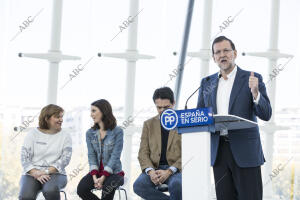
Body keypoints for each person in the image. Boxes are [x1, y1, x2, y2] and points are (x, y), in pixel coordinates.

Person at [197, 36, 272, 200]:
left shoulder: (251, 78)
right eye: (218, 52)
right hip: (219, 152)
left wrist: (255, 93)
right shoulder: (207, 83)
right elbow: (199, 116)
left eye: (226, 50)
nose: (222, 55)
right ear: (213, 58)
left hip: (246, 151)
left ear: (235, 53)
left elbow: (266, 114)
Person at [133, 87, 182, 200]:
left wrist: (169, 171)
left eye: (166, 107)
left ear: (173, 103)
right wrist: (150, 172)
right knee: (139, 186)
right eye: (159, 107)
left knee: (177, 185)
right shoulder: (148, 125)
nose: (163, 111)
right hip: (154, 168)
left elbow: (188, 153)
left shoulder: (183, 122)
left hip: (176, 169)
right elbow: (143, 153)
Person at [19, 104, 72, 200]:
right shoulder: (32, 134)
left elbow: (65, 159)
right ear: (47, 119)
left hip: (56, 173)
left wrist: (44, 172)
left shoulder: (65, 135)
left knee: (50, 190)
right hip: (31, 173)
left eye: (61, 116)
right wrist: (35, 172)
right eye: (57, 117)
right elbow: (24, 157)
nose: (61, 119)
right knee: (26, 196)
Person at [77, 99, 124, 200]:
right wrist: (94, 177)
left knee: (107, 188)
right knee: (81, 189)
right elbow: (91, 155)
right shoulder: (90, 133)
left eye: (94, 111)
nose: (91, 114)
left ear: (103, 111)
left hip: (115, 173)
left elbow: (115, 156)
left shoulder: (118, 132)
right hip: (96, 172)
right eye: (91, 111)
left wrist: (103, 177)